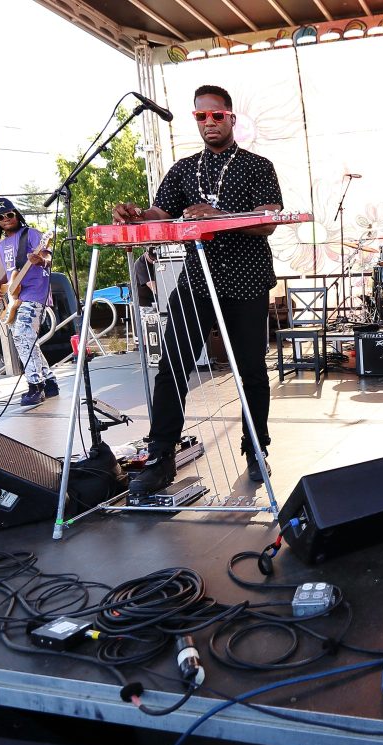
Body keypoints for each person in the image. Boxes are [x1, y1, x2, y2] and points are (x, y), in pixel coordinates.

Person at [113, 84, 283, 492]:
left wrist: (219, 215)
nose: (209, 122)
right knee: (172, 367)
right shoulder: (184, 169)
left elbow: (268, 221)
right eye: (200, 116)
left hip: (246, 281)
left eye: (216, 115)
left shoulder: (258, 166)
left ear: (231, 118)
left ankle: (255, 448)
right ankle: (160, 457)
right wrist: (136, 215)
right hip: (197, 282)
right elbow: (160, 213)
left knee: (251, 372)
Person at [0, 197, 60, 406]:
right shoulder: (1, 245)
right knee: (25, 339)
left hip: (35, 293)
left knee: (22, 335)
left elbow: (47, 257)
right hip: (16, 297)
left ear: (16, 214)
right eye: (0, 217)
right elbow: (10, 274)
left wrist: (41, 260)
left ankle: (36, 386)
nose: (6, 219)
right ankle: (50, 382)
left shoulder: (32, 234)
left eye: (9, 214)